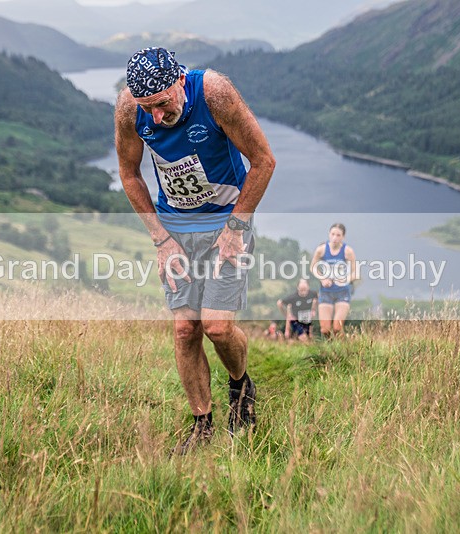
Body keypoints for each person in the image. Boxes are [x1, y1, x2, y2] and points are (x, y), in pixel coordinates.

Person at [114, 47, 275, 455]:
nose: (155, 117)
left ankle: (240, 386)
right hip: (175, 229)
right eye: (146, 107)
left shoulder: (214, 93)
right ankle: (202, 424)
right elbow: (130, 174)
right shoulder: (130, 108)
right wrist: (160, 240)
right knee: (186, 328)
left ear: (180, 82)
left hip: (226, 221)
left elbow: (263, 161)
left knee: (218, 327)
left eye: (163, 104)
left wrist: (236, 228)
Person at [311, 223, 356, 338]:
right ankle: (331, 350)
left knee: (337, 327)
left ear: (343, 237)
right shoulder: (321, 250)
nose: (335, 238)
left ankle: (343, 350)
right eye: (333, 234)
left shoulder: (348, 251)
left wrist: (345, 280)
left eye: (338, 235)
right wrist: (322, 279)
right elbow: (313, 267)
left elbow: (355, 273)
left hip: (342, 292)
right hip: (326, 291)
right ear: (329, 234)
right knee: (325, 330)